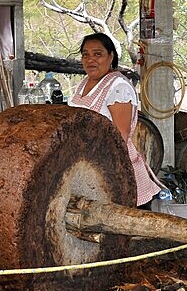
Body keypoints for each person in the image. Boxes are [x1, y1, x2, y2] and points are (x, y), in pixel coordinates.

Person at [68, 32, 162, 208]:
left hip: (115, 171)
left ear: (111, 56)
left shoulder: (118, 86)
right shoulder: (85, 82)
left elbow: (120, 137)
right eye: (85, 54)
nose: (90, 60)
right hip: (88, 167)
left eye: (98, 54)